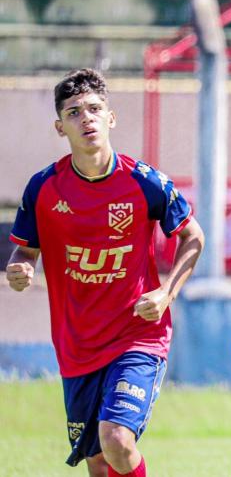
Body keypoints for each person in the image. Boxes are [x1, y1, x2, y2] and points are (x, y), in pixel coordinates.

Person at [5, 68, 204, 477]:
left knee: (116, 438)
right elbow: (25, 251)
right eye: (74, 112)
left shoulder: (145, 182)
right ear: (61, 127)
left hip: (138, 336)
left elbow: (193, 238)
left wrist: (166, 293)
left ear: (111, 117)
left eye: (95, 109)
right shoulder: (43, 188)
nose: (87, 118)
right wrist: (19, 268)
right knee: (97, 462)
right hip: (77, 344)